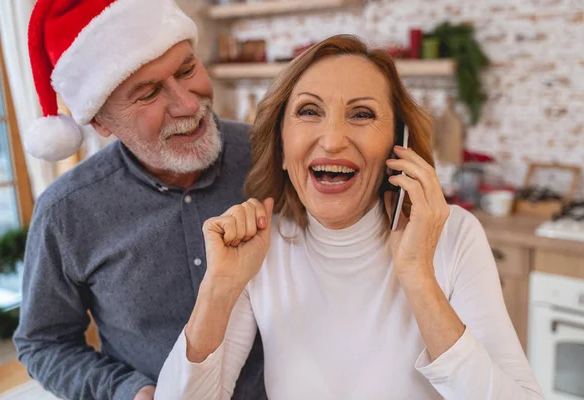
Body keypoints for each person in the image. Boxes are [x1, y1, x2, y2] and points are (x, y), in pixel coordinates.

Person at [155, 35, 544, 399]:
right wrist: (218, 288)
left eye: (361, 114)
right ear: (282, 145)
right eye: (309, 111)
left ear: (398, 145)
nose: (333, 140)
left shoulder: (454, 235)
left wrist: (417, 275)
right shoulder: (260, 248)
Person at [13, 1, 266, 399]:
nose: (187, 104)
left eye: (187, 70)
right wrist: (127, 391)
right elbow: (43, 342)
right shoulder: (66, 212)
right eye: (148, 94)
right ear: (100, 120)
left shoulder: (272, 155)